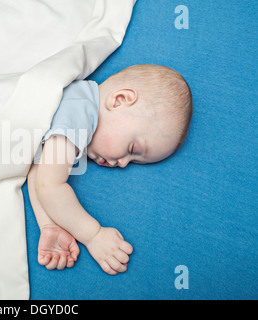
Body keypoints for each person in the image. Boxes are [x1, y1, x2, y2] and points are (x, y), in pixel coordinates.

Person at [27, 64, 193, 275]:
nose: (123, 163)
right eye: (132, 149)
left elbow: (39, 169)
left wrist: (49, 225)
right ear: (120, 100)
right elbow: (49, 186)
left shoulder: (75, 111)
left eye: (134, 161)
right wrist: (93, 235)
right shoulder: (80, 111)